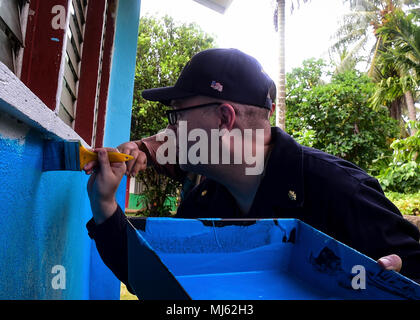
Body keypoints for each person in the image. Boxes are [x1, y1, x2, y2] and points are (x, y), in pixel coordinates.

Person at [84, 48, 420, 295]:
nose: (169, 129)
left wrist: (401, 276)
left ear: (224, 119)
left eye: (177, 115)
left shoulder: (335, 187)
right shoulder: (203, 205)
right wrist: (105, 207)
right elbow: (155, 280)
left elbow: (411, 264)